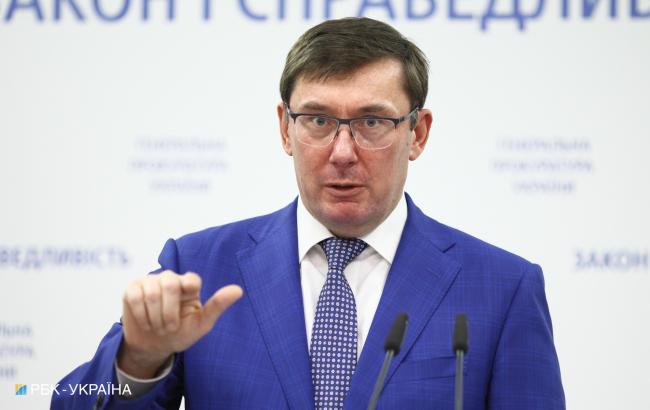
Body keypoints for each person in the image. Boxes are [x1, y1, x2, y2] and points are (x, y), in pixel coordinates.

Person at [53, 17, 565, 409]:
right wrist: (140, 360)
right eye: (317, 120)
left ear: (418, 132)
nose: (342, 152)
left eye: (371, 122)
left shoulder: (502, 289)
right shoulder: (200, 267)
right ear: (285, 128)